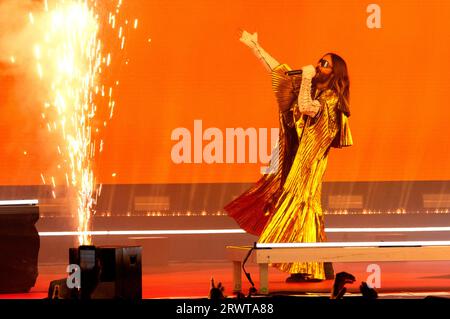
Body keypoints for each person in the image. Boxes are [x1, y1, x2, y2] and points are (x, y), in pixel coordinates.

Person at [224, 30, 353, 282]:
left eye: (324, 64)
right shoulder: (314, 91)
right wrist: (255, 46)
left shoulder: (330, 99)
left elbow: (306, 108)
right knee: (305, 209)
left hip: (308, 165)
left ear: (334, 73)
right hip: (297, 162)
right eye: (319, 61)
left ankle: (308, 266)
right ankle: (310, 267)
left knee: (302, 206)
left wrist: (305, 79)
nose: (318, 66)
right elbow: (280, 74)